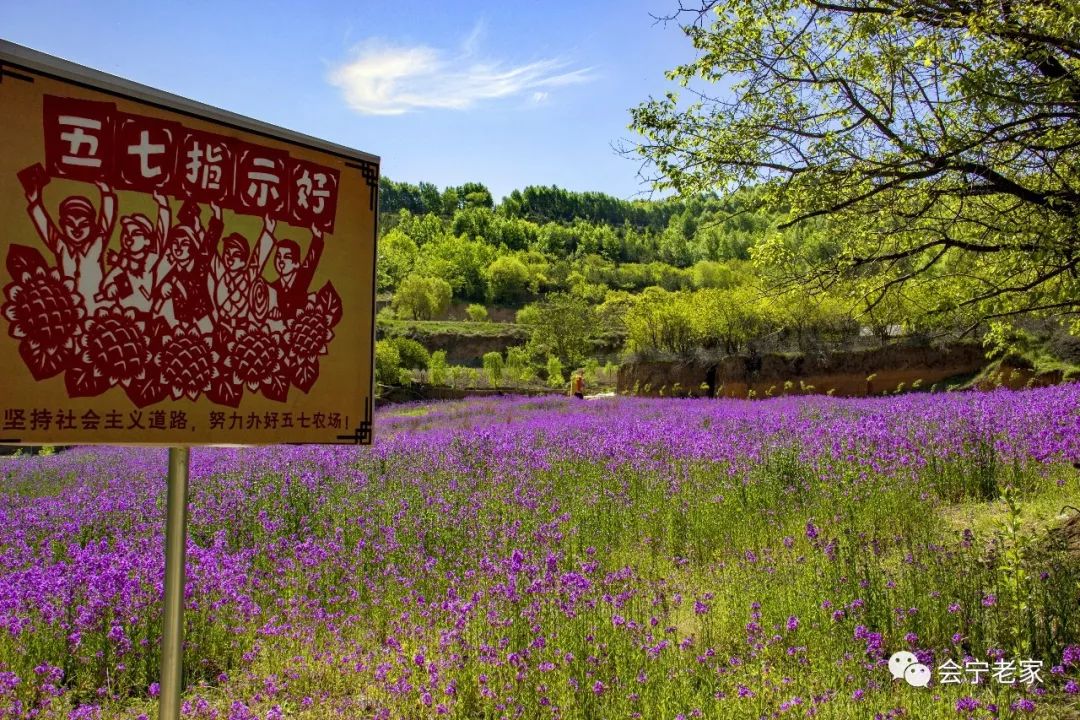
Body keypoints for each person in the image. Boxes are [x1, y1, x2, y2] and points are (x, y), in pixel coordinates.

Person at [21, 166, 116, 314]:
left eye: (83, 225)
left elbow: (106, 221)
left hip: (96, 309)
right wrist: (34, 202)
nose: (76, 230)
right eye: (70, 224)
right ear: (62, 225)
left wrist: (106, 191)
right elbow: (45, 227)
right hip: (70, 310)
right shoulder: (61, 246)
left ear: (92, 226)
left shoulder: (96, 244)